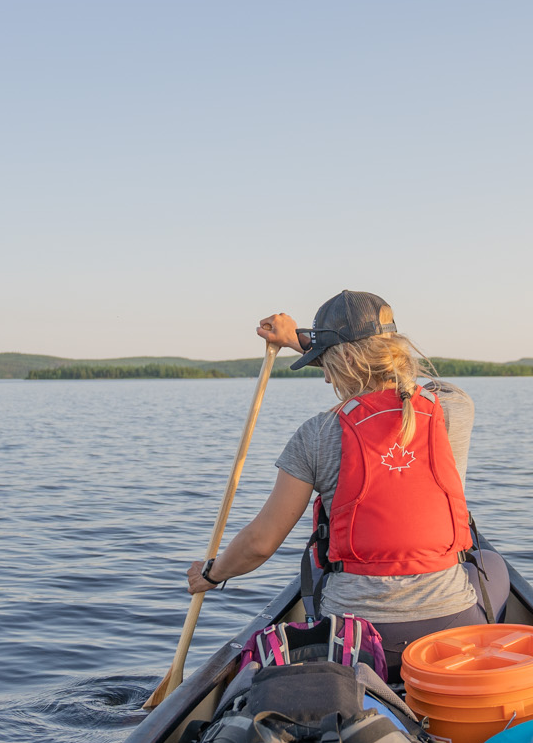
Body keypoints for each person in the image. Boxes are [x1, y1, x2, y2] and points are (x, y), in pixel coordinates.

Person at [185, 290, 487, 676]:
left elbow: (261, 543)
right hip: (449, 628)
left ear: (343, 360)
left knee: (318, 575)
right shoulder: (454, 408)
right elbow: (407, 382)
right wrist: (307, 341)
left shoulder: (318, 433)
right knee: (489, 565)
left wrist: (212, 573)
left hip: (360, 638)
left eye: (325, 364)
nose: (325, 377)